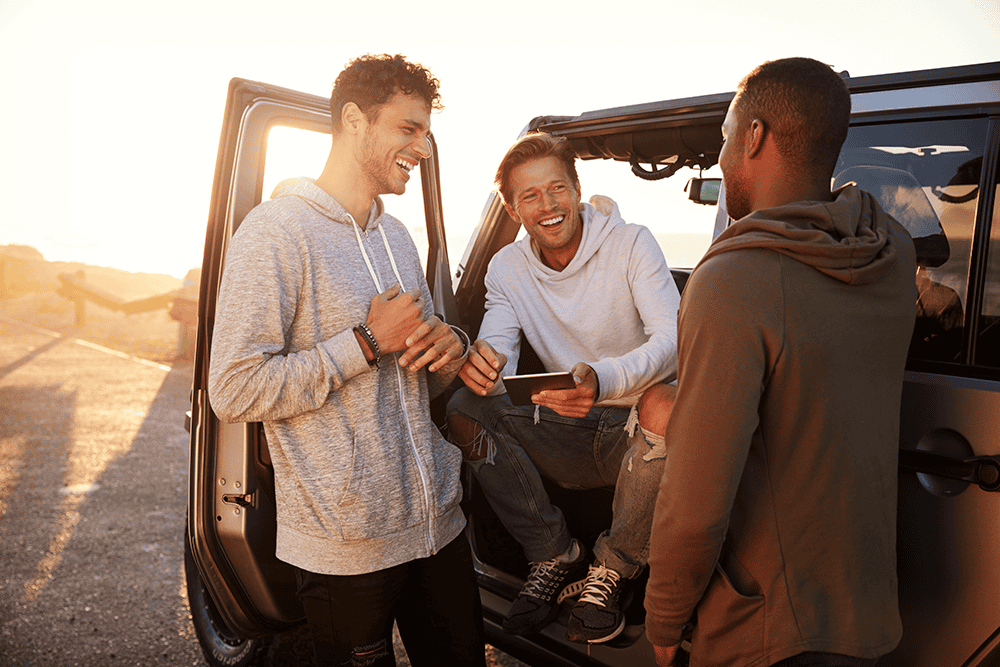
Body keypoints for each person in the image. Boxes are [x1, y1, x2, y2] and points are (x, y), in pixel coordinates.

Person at [208, 54, 485, 667]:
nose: (425, 146)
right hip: (345, 546)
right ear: (355, 120)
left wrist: (451, 347)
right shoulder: (275, 233)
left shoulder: (398, 238)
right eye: (409, 129)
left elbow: (423, 376)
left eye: (427, 130)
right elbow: (232, 388)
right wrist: (363, 343)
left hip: (437, 525)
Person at [645, 57, 917, 667]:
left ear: (755, 136)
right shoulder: (891, 251)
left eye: (722, 138)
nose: (719, 158)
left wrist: (664, 615)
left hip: (767, 626)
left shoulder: (735, 281)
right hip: (866, 610)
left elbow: (696, 498)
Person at [446, 132, 681, 644]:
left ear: (576, 189)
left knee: (666, 404)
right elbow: (499, 338)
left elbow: (673, 340)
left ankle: (613, 569)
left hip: (639, 433)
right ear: (512, 208)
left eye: (557, 189)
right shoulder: (508, 266)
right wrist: (484, 360)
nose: (547, 205)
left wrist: (603, 380)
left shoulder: (631, 242)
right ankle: (553, 552)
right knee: (465, 406)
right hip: (565, 426)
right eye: (529, 196)